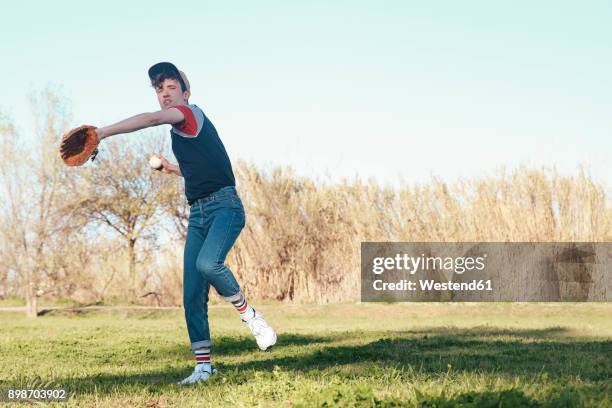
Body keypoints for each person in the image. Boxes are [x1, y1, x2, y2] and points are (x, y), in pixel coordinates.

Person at [94, 62, 277, 385]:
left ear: (185, 91)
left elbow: (150, 119)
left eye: (171, 88)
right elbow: (203, 167)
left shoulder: (188, 113)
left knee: (208, 264)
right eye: (159, 90)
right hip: (199, 213)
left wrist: (101, 133)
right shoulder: (181, 130)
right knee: (192, 294)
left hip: (226, 207)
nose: (165, 95)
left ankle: (250, 316)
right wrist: (171, 169)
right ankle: (203, 368)